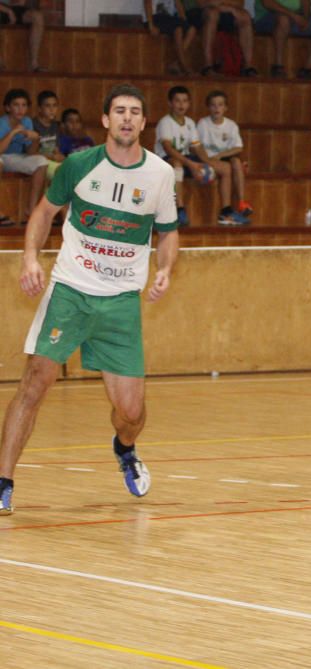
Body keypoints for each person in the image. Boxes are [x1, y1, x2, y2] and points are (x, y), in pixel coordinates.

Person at [0, 83, 179, 516]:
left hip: (120, 304)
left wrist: (165, 269)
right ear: (105, 120)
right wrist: (29, 259)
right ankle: (3, 481)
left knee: (132, 412)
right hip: (71, 292)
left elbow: (168, 230)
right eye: (119, 111)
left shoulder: (159, 173)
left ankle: (125, 448)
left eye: (135, 112)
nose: (127, 118)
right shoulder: (78, 164)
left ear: (143, 121)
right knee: (34, 383)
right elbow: (44, 213)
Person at [155, 85, 246, 226]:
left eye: (184, 101)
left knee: (226, 167)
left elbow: (198, 148)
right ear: (170, 103)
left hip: (187, 159)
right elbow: (168, 150)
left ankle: (226, 212)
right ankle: (179, 210)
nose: (181, 104)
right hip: (166, 161)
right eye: (177, 101)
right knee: (177, 165)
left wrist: (207, 162)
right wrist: (192, 165)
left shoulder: (190, 123)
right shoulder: (165, 122)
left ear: (189, 104)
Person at [197, 90, 253, 221]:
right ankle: (226, 210)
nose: (217, 108)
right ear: (208, 107)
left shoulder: (231, 125)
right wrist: (211, 159)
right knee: (229, 167)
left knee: (236, 162)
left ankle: (241, 202)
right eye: (213, 105)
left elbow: (239, 147)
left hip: (223, 158)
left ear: (225, 107)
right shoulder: (202, 124)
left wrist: (220, 155)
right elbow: (196, 147)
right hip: (208, 159)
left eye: (220, 105)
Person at [0, 88, 48, 225]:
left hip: (16, 157)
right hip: (2, 156)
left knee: (41, 161)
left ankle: (31, 210)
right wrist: (13, 133)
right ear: (8, 108)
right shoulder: (2, 123)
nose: (20, 109)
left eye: (24, 105)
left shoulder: (27, 122)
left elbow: (31, 153)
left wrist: (35, 139)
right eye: (16, 105)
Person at [255, 0, 311, 78]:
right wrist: (293, 15)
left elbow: (305, 1)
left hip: (294, 17)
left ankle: (308, 68)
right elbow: (267, 3)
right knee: (284, 20)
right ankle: (278, 66)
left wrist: (306, 18)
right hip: (267, 17)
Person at [186, 0, 257, 76]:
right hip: (199, 10)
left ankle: (248, 66)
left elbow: (240, 3)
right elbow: (201, 3)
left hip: (224, 9)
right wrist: (223, 4)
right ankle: (207, 66)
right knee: (212, 13)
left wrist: (228, 7)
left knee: (245, 16)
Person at [143, 0, 196, 75]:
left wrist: (183, 19)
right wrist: (151, 25)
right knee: (178, 29)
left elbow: (178, 3)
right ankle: (184, 66)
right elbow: (147, 2)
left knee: (191, 29)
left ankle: (175, 63)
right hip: (154, 17)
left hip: (168, 18)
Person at [0, 0, 44, 72]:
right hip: (3, 9)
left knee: (37, 16)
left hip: (12, 8)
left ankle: (34, 64)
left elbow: (21, 3)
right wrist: (8, 11)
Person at [33, 90, 65, 181]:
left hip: (52, 161)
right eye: (47, 106)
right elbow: (30, 153)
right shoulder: (33, 125)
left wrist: (60, 156)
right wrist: (52, 157)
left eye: (54, 105)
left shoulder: (55, 126)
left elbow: (56, 149)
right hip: (38, 162)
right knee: (61, 171)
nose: (52, 110)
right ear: (39, 108)